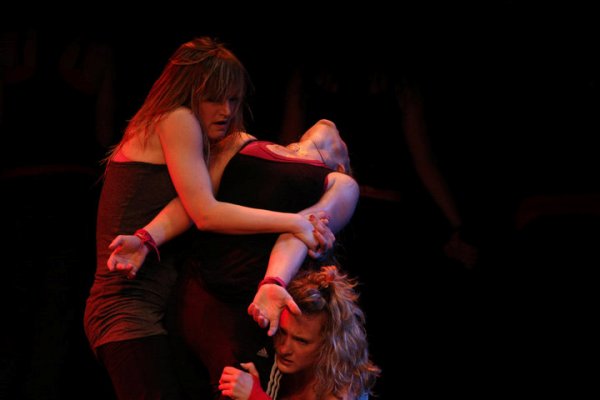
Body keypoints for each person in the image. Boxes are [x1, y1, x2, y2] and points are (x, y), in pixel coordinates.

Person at [83, 37, 336, 400]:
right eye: (215, 99)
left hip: (154, 309)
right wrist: (295, 222)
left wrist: (148, 237)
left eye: (234, 99)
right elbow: (205, 213)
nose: (226, 110)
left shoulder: (186, 131)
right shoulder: (177, 118)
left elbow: (189, 206)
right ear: (189, 92)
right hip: (127, 311)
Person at [107, 118, 359, 399]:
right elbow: (197, 202)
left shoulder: (341, 183)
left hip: (248, 311)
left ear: (341, 165)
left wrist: (272, 282)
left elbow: (304, 230)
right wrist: (147, 238)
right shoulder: (241, 141)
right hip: (196, 295)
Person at [218, 265, 380, 400]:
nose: (284, 349)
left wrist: (256, 396)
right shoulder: (272, 359)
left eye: (301, 341)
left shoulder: (343, 386)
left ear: (329, 344)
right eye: (282, 332)